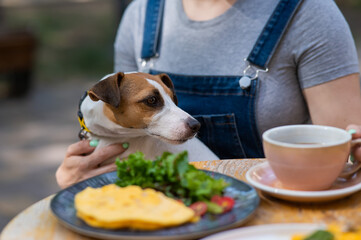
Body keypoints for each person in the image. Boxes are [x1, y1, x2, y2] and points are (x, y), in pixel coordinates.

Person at [56, 0, 361, 188]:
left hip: (267, 210)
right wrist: (80, 176)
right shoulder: (141, 15)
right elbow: (117, 121)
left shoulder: (307, 13)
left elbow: (343, 153)